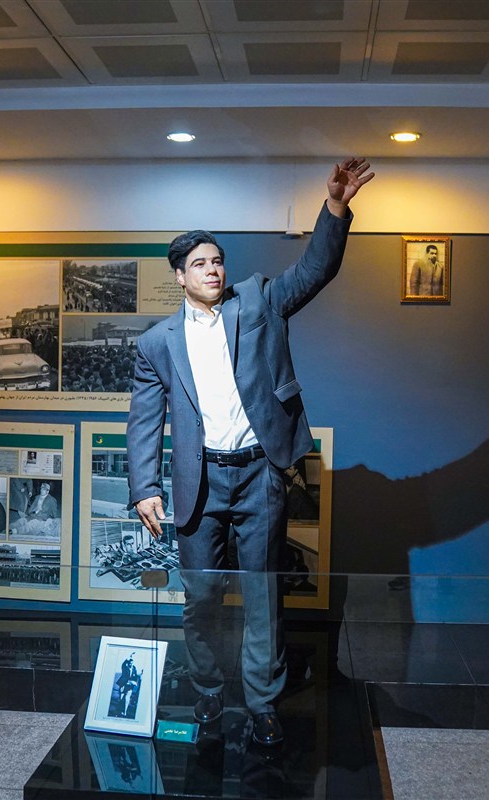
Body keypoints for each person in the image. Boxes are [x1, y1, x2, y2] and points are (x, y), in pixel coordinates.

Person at [127, 157, 373, 747]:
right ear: (180, 277)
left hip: (260, 474)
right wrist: (145, 488)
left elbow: (315, 269)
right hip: (199, 482)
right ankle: (209, 690)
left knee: (263, 595)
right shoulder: (156, 343)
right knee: (202, 596)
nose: (212, 269)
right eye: (199, 264)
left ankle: (263, 702)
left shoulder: (258, 300)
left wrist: (335, 207)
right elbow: (144, 421)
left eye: (217, 260)